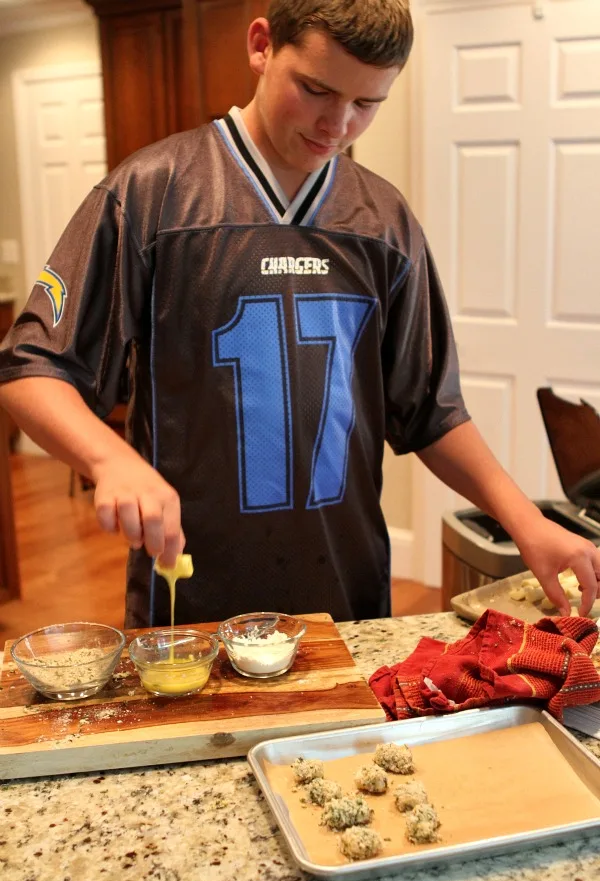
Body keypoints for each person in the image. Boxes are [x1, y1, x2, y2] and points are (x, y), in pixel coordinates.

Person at [1, 0, 599, 629]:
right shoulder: (154, 193)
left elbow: (430, 410)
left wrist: (527, 523)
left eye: (367, 105)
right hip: (190, 597)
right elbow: (31, 367)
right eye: (316, 89)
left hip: (345, 591)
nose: (337, 124)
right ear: (261, 46)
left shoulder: (384, 222)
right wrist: (109, 458)